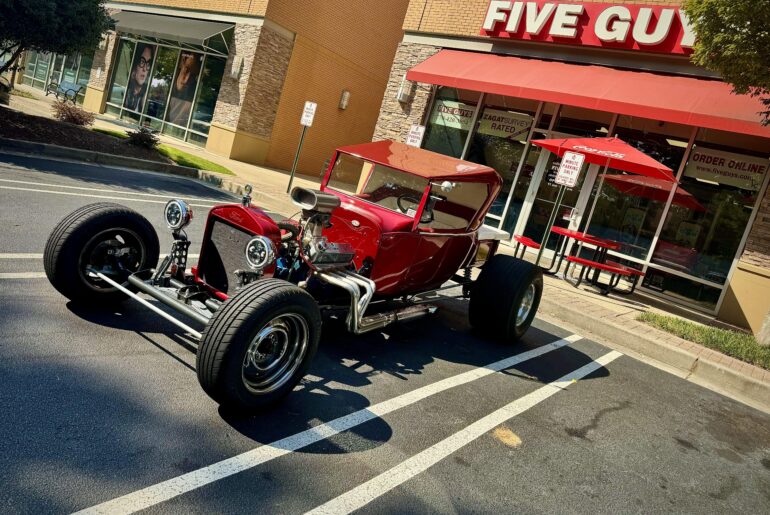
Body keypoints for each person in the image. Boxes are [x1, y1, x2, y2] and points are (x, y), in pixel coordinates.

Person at [166, 52, 201, 126]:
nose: (191, 59)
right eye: (190, 57)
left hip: (178, 118)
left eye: (193, 58)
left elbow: (188, 105)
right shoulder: (175, 74)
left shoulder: (193, 81)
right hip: (171, 113)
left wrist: (176, 120)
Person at [124, 44, 154, 112]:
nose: (145, 69)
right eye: (142, 62)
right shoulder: (127, 92)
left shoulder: (144, 96)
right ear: (135, 66)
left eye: (148, 64)